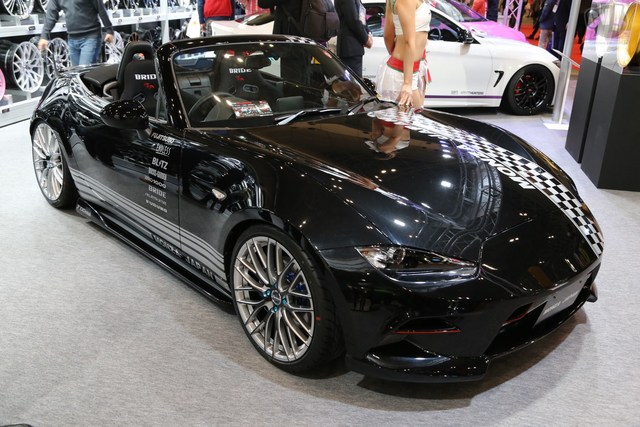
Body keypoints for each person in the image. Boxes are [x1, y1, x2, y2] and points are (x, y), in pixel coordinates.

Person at [376, 0, 431, 108]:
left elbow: (388, 35)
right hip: (403, 74)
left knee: (411, 115)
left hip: (408, 69)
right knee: (412, 115)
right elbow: (408, 41)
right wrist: (407, 83)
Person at [38, 0, 114, 66]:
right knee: (77, 74)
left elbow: (101, 9)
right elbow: (51, 14)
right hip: (72, 39)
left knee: (85, 73)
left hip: (90, 37)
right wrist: (44, 36)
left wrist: (109, 30)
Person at [335, 0, 373, 77]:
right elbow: (353, 20)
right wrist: (366, 39)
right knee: (353, 82)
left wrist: (368, 33)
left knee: (355, 81)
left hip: (354, 47)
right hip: (350, 47)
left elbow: (361, 16)